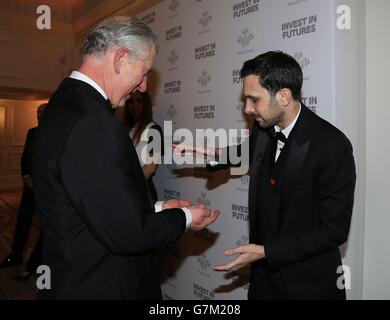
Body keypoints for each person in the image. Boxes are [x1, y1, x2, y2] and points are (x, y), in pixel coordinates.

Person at [31, 16, 219, 300]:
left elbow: (93, 206)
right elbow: (130, 234)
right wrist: (184, 216)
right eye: (143, 72)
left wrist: (156, 208)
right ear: (120, 58)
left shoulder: (64, 104)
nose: (143, 86)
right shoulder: (93, 123)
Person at [175, 51, 356, 300]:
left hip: (308, 285)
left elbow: (334, 231)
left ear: (283, 96)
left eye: (254, 100)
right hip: (263, 278)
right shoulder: (264, 128)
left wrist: (268, 252)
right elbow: (249, 151)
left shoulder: (332, 145)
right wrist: (213, 153)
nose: (248, 109)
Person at [0, 103, 46, 280]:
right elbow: (25, 157)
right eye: (38, 113)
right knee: (22, 221)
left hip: (46, 189)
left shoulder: (54, 133)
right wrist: (26, 175)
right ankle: (15, 255)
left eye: (43, 113)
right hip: (29, 187)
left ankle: (38, 264)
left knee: (47, 227)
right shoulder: (32, 132)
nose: (40, 116)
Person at [125, 91, 163, 201]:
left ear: (146, 105)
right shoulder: (123, 129)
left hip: (143, 193)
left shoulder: (154, 130)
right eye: (131, 101)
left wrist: (128, 184)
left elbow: (151, 167)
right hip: (126, 191)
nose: (134, 105)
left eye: (139, 101)